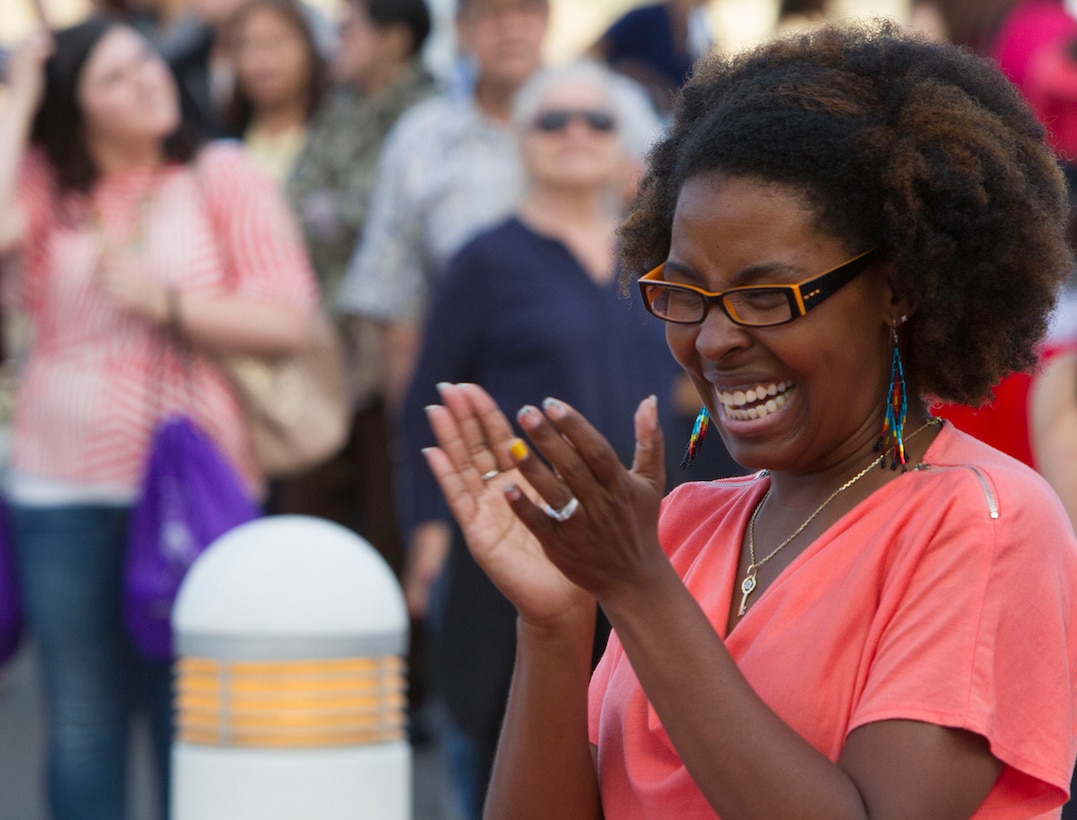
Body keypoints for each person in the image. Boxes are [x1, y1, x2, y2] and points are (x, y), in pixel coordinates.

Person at [420, 21, 1077, 818]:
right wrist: (557, 623)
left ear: (899, 290)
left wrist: (635, 589)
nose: (715, 339)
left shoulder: (981, 521)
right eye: (687, 293)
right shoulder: (684, 526)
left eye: (767, 296)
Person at [0, 17, 317, 819]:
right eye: (112, 77)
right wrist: (20, 95)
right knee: (81, 721)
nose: (145, 78)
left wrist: (167, 303)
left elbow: (289, 319)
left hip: (190, 480)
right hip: (59, 486)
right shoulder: (44, 183)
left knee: (194, 714)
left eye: (145, 59)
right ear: (74, 106)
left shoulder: (220, 174)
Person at [399, 60, 675, 819]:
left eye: (596, 120)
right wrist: (427, 531)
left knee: (637, 743)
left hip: (651, 542)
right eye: (553, 121)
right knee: (502, 733)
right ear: (521, 142)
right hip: (522, 538)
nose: (575, 134)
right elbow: (428, 396)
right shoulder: (484, 259)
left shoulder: (658, 259)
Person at [336, 0, 550, 415]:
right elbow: (394, 300)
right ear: (461, 29)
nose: (511, 29)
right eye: (492, 15)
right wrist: (418, 428)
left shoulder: (607, 116)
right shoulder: (421, 138)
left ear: (546, 21)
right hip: (473, 400)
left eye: (526, 11)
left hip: (603, 393)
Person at [222, 0, 328, 184]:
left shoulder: (338, 132)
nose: (264, 60)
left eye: (277, 42)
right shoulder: (223, 142)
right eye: (251, 45)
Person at [586, 0, 712, 115]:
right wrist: (644, 79)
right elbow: (593, 53)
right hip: (635, 106)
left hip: (673, 114)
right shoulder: (645, 17)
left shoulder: (700, 27)